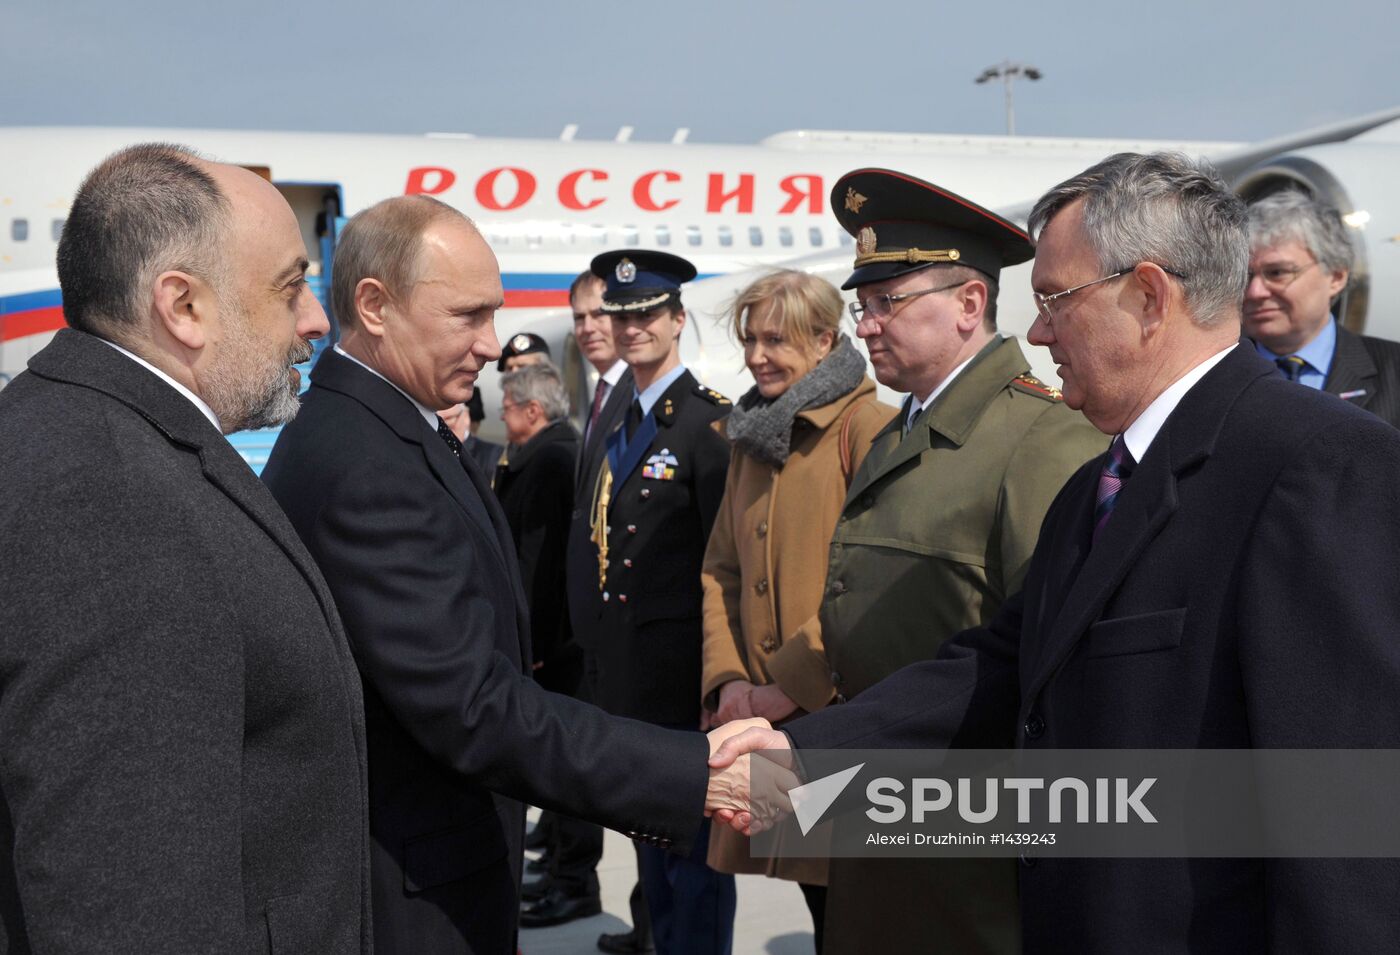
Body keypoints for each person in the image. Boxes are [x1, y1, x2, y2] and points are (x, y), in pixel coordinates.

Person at [713, 152, 1400, 953]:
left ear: (1147, 295)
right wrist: (796, 753)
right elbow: (1000, 665)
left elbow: (1349, 815)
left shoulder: (1318, 461)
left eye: (1054, 300)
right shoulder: (1100, 482)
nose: (1037, 330)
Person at [261, 197, 758, 955]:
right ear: (375, 305)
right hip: (416, 893)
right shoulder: (364, 460)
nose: (492, 345)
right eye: (468, 315)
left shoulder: (388, 427)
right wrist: (691, 773)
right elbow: (472, 707)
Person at [0, 144, 370, 952]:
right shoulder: (108, 498)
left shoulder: (89, 436)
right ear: (184, 306)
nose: (314, 319)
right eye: (288, 287)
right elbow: (129, 909)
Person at [801, 169, 1111, 953]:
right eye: (861, 305)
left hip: (967, 853)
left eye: (888, 303)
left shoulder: (1042, 440)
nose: (866, 327)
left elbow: (1051, 671)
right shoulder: (896, 430)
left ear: (971, 304)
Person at [699, 269, 894, 950]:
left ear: (823, 341)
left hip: (837, 715)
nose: (755, 354)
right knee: (822, 905)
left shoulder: (869, 428)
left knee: (859, 906)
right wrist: (728, 684)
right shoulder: (751, 436)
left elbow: (870, 583)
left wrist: (788, 688)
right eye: (749, 338)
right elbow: (720, 569)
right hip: (768, 717)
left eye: (774, 338)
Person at [584, 249, 737, 955]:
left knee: (698, 858)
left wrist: (718, 681)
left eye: (647, 313)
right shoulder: (622, 424)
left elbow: (720, 565)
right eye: (621, 317)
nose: (631, 327)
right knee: (653, 847)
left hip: (683, 682)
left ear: (678, 319)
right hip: (634, 678)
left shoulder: (706, 427)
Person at [489, 362, 597, 928]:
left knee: (568, 767)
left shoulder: (552, 458)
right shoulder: (539, 454)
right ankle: (558, 869)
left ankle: (573, 879)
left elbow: (545, 561)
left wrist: (535, 636)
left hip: (555, 643)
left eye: (508, 408)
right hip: (550, 639)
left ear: (533, 411)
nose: (502, 417)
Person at [1243, 190, 1400, 425]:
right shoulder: (1209, 376)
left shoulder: (1393, 372)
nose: (1255, 291)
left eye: (1277, 273)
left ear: (1336, 277)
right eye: (1245, 276)